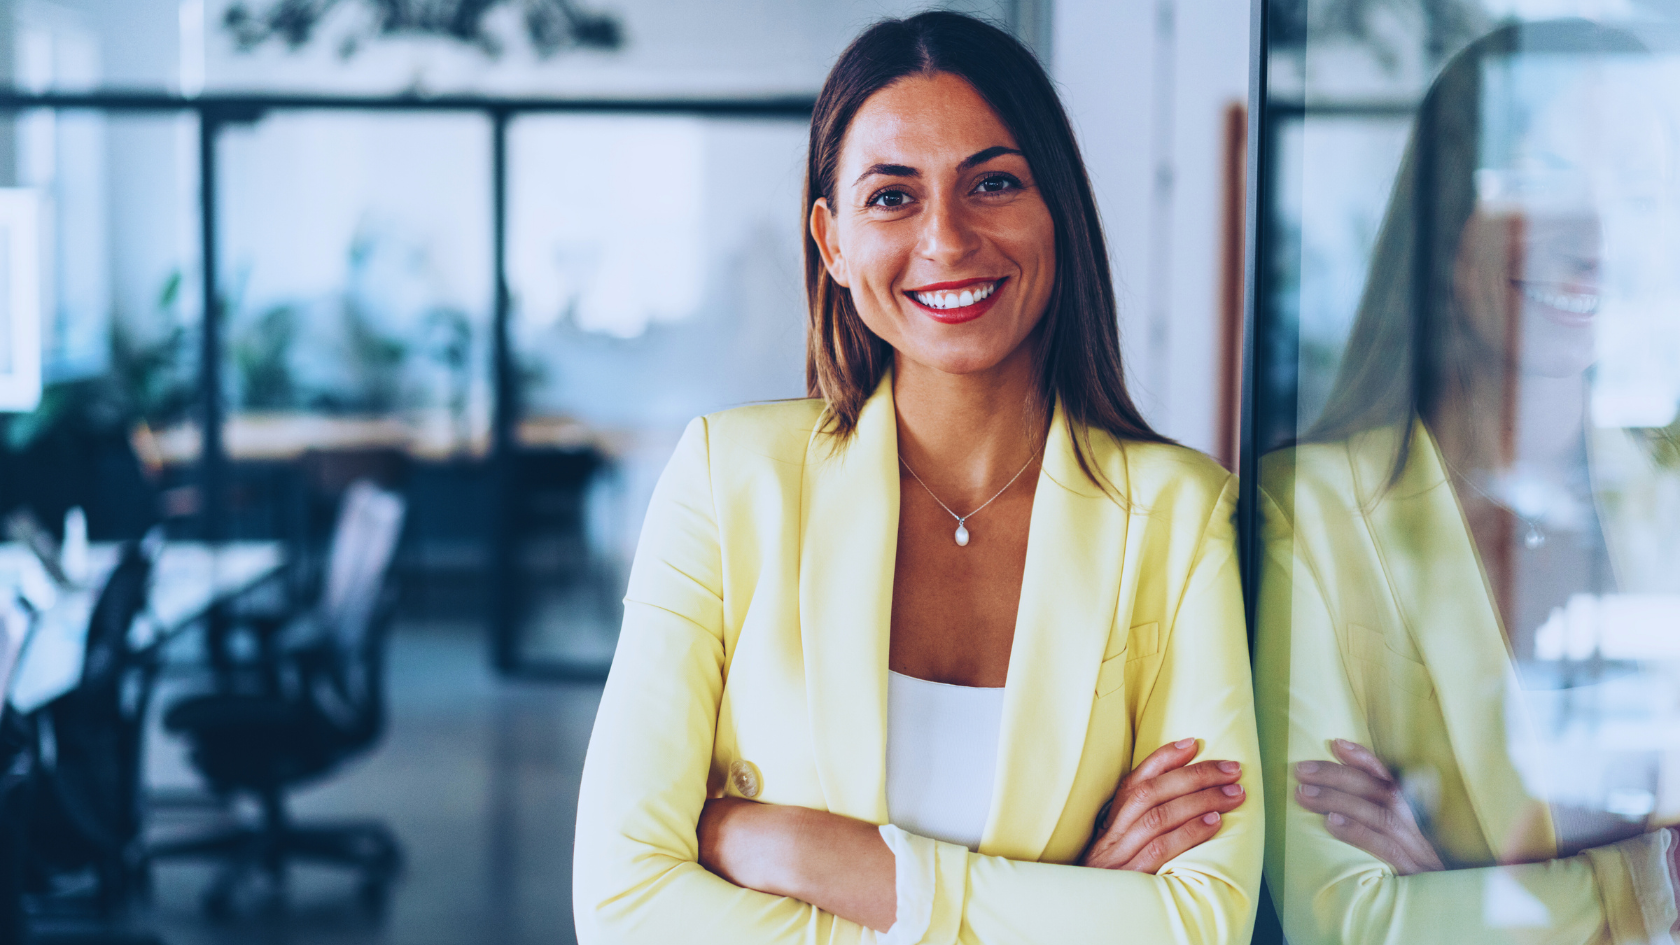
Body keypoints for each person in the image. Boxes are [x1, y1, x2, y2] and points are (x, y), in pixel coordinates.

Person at [573, 11, 1261, 944]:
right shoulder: (728, 482)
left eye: (993, 183)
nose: (946, 238)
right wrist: (1063, 908)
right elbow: (622, 906)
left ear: (1056, 207)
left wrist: (818, 858)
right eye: (892, 197)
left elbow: (1201, 920)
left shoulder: (1181, 516)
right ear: (832, 241)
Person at [1256, 19, 1680, 945]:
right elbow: (1352, 923)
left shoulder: (1669, 500)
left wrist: (1456, 893)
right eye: (1546, 179)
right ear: (1447, 209)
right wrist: (1651, 888)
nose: (1593, 235)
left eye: (1637, 195)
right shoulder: (1310, 513)